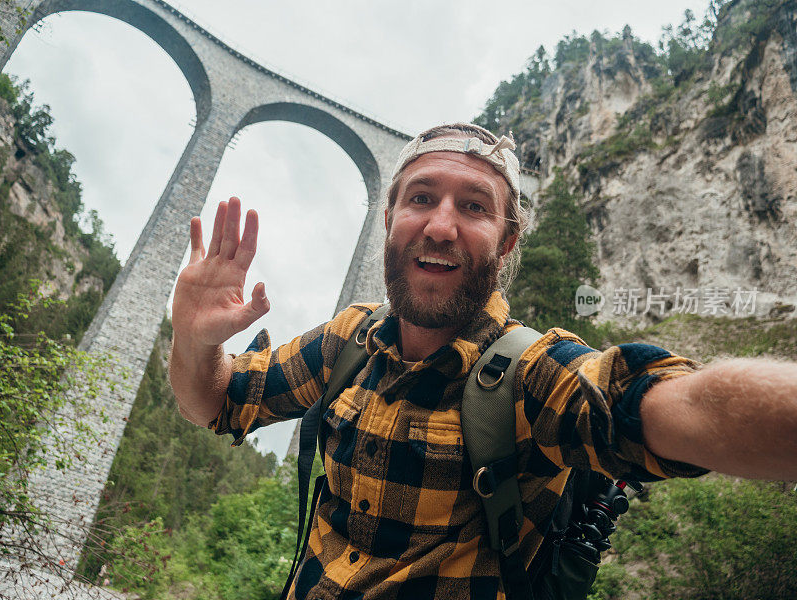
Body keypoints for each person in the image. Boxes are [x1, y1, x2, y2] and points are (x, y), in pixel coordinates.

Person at [169, 123, 797, 600]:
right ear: (390, 219)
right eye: (421, 199)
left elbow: (667, 405)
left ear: (508, 239)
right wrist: (195, 340)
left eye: (474, 206)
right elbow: (215, 402)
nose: (441, 227)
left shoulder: (532, 376)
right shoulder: (347, 340)